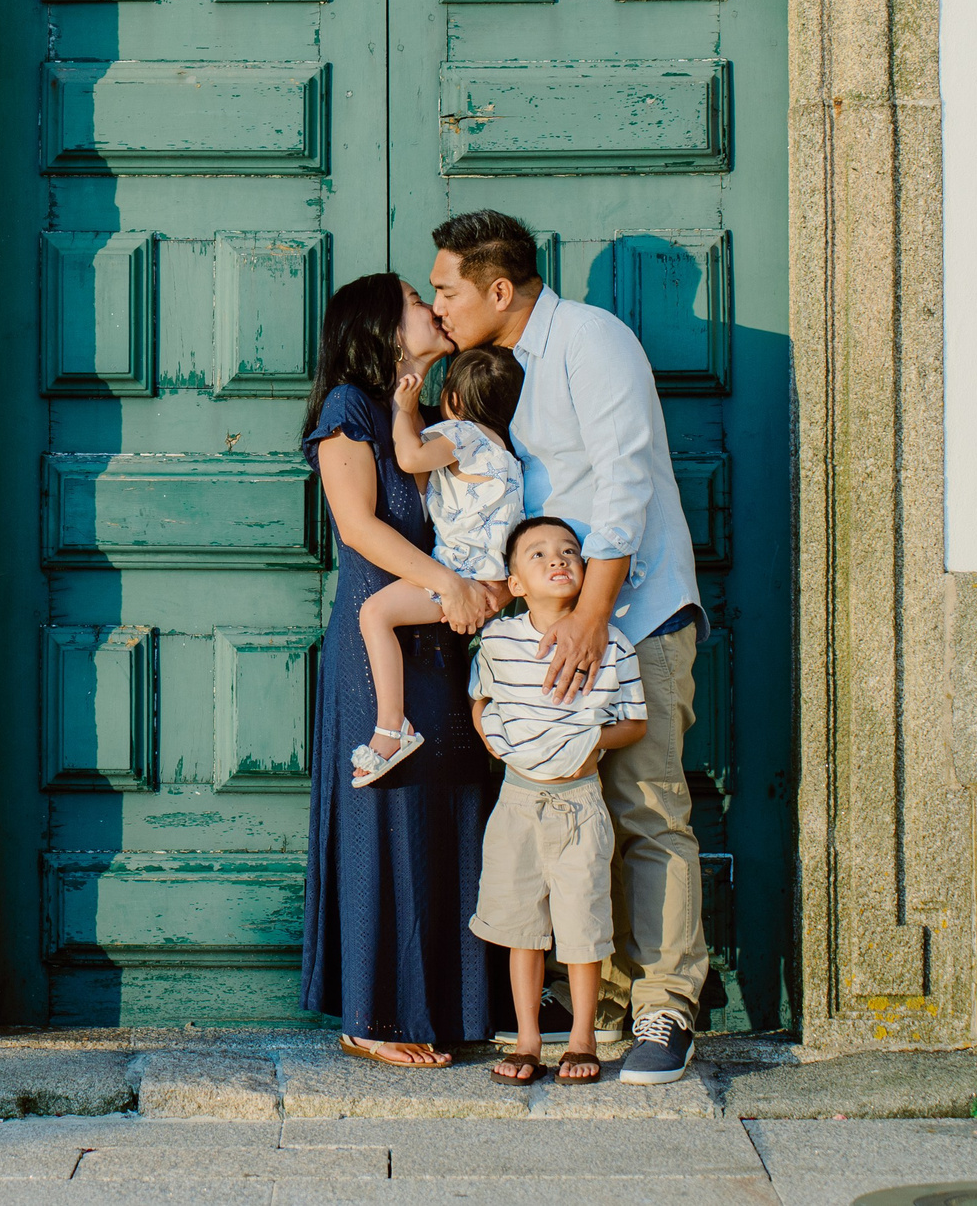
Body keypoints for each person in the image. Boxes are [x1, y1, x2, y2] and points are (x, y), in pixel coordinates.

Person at [429, 209, 708, 1088]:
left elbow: (626, 476)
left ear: (499, 289)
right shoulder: (500, 368)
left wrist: (593, 613)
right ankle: (609, 1001)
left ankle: (668, 1001)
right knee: (572, 822)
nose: (437, 306)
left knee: (649, 811)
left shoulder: (591, 340)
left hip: (636, 617)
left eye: (447, 289)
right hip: (551, 632)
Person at [300, 271, 506, 1068]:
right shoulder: (348, 409)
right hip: (378, 639)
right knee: (387, 816)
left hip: (439, 635)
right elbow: (357, 525)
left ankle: (454, 1002)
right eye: (420, 303)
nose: (435, 308)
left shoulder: (428, 415)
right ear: (385, 328)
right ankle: (372, 1013)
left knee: (449, 808)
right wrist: (448, 583)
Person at [467, 516, 648, 1085]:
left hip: (579, 803)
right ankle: (526, 1039)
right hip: (517, 802)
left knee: (582, 924)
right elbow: (481, 700)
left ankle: (581, 1038)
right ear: (515, 582)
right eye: (539, 554)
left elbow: (635, 723)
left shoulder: (611, 643)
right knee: (522, 925)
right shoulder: (498, 639)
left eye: (570, 551)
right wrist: (494, 742)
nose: (558, 560)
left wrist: (594, 741)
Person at [348, 344, 528, 788]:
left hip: (462, 576)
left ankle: (392, 727)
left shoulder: (464, 434)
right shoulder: (505, 453)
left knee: (374, 614)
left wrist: (402, 407)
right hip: (491, 582)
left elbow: (410, 459)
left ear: (455, 401)